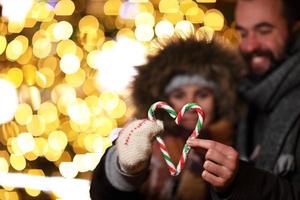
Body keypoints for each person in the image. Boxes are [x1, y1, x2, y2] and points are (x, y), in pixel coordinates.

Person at [89, 34, 243, 200]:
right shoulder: (146, 142)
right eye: (179, 95)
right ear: (166, 101)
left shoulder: (238, 147)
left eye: (203, 94)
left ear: (219, 100)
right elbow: (103, 194)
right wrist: (124, 166)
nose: (190, 105)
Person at [187, 0, 300, 199]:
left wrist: (241, 180)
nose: (249, 46)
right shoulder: (235, 94)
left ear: (294, 27)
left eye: (264, 31)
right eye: (243, 33)